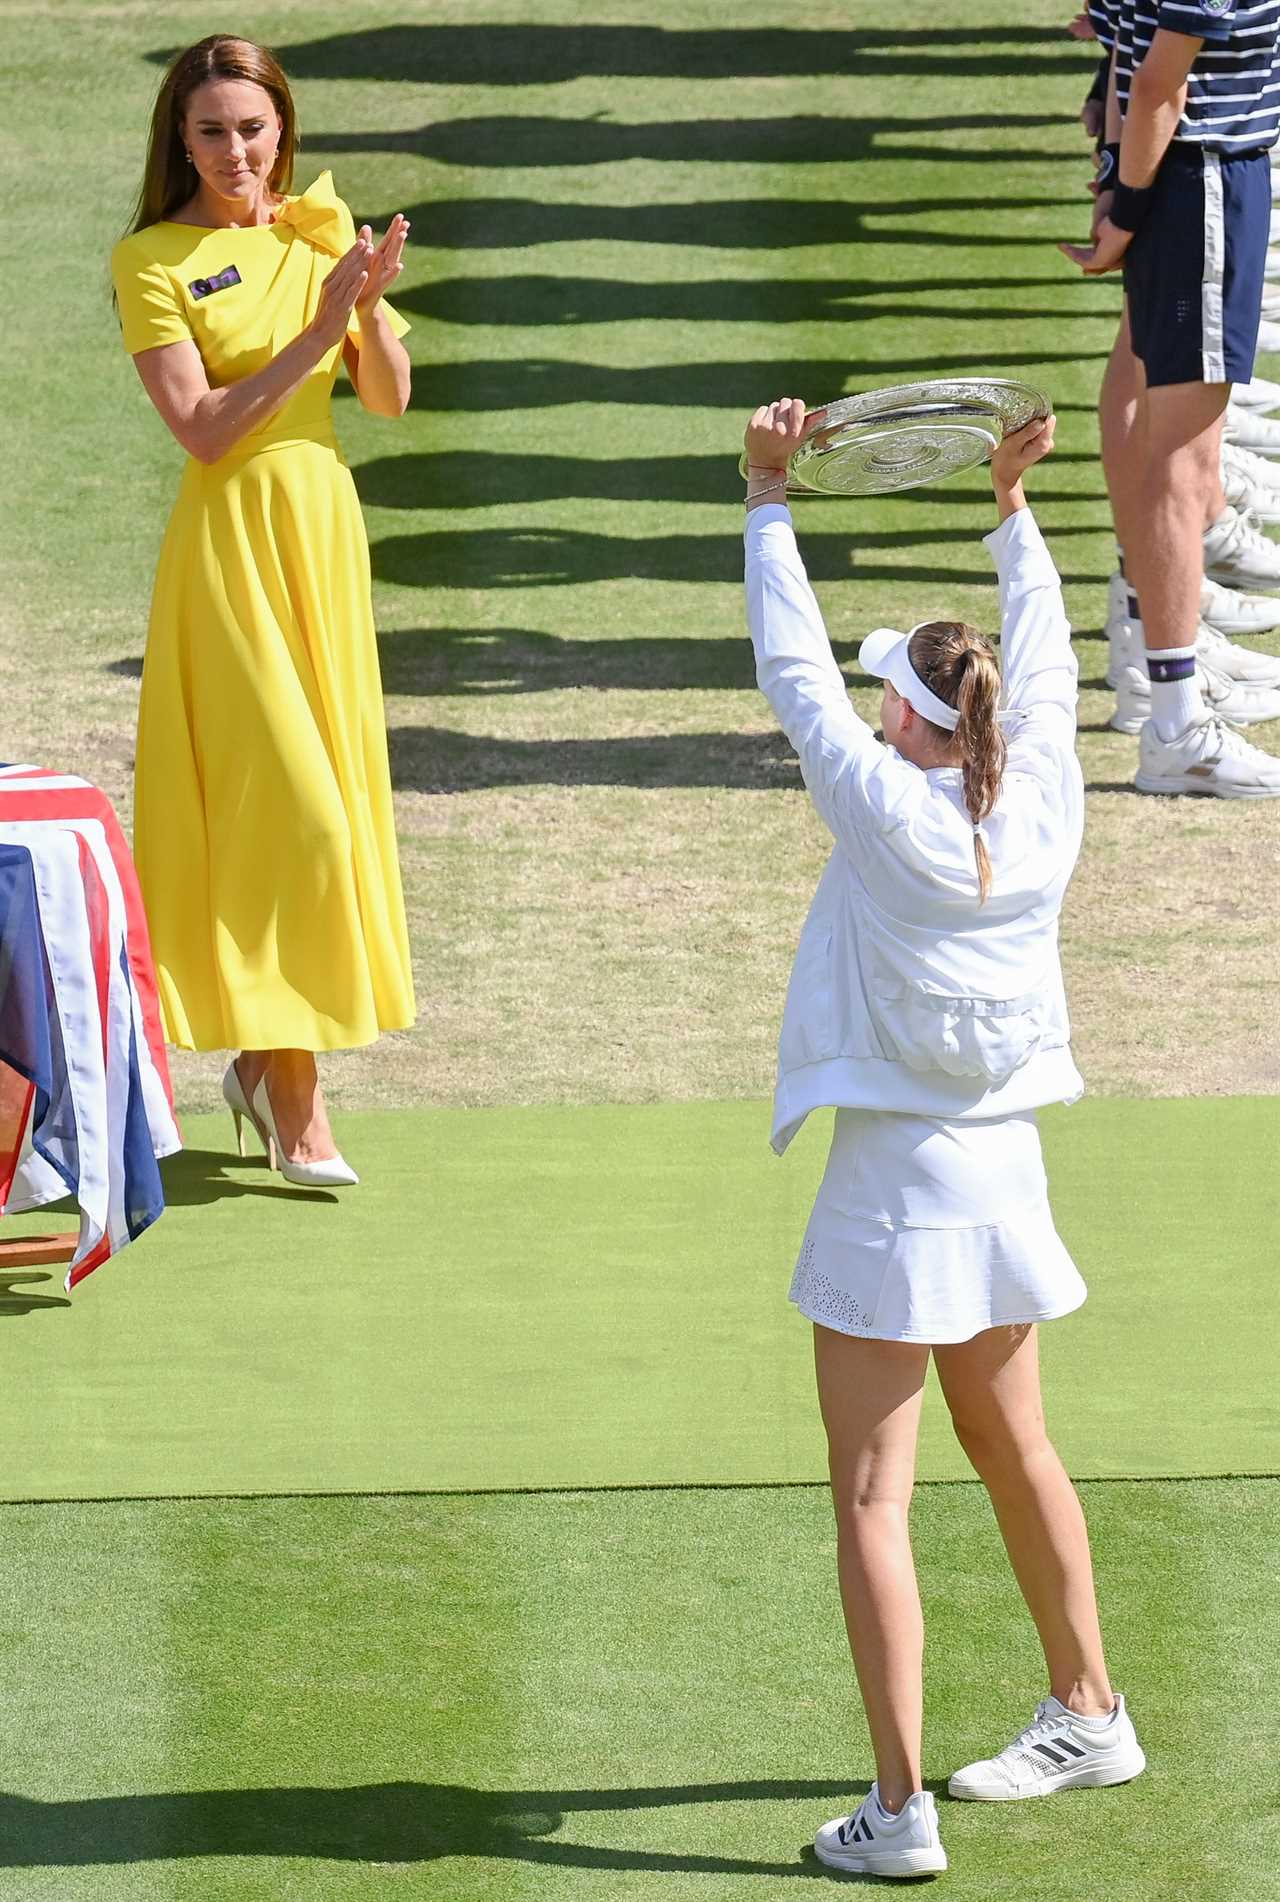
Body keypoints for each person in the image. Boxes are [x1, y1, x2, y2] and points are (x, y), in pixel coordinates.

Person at [742, 399, 1145, 1880]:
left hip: (896, 1188)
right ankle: (1091, 1705)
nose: (868, 718)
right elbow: (1043, 677)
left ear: (905, 721)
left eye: (882, 704)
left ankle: (898, 1809)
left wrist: (770, 499)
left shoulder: (881, 811)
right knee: (1015, 1439)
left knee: (872, 1494)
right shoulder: (1040, 800)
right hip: (1005, 1169)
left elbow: (793, 673)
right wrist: (1013, 511)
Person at [110, 35, 415, 1185]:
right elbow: (199, 429)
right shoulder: (150, 257)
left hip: (321, 539)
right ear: (177, 141)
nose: (236, 152)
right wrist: (316, 321)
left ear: (282, 127)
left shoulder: (319, 230)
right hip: (227, 551)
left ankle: (268, 1066)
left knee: (324, 808)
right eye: (210, 132)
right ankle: (293, 1091)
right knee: (297, 817)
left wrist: (367, 306)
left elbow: (386, 398)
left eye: (252, 127)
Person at [1064, 0, 1280, 795]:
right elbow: (1157, 82)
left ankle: (1163, 686)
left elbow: (1126, 62)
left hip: (1177, 177)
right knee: (1183, 464)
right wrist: (1125, 213)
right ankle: (1177, 724)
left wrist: (1117, 186)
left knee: (1169, 444)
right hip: (1204, 178)